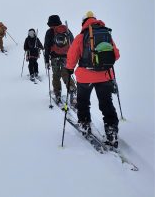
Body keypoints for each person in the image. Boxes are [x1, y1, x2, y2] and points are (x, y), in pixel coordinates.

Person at [66, 11, 120, 147]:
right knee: (106, 103)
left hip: (85, 77)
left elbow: (72, 56)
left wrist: (69, 68)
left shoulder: (81, 36)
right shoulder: (106, 34)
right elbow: (116, 55)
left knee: (83, 101)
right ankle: (111, 130)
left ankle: (84, 124)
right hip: (105, 76)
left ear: (83, 22)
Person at [44, 15, 77, 105]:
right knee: (66, 74)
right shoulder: (66, 30)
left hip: (54, 57)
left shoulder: (50, 32)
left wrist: (46, 60)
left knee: (56, 75)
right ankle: (72, 92)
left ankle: (57, 93)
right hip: (66, 57)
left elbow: (46, 47)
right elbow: (73, 43)